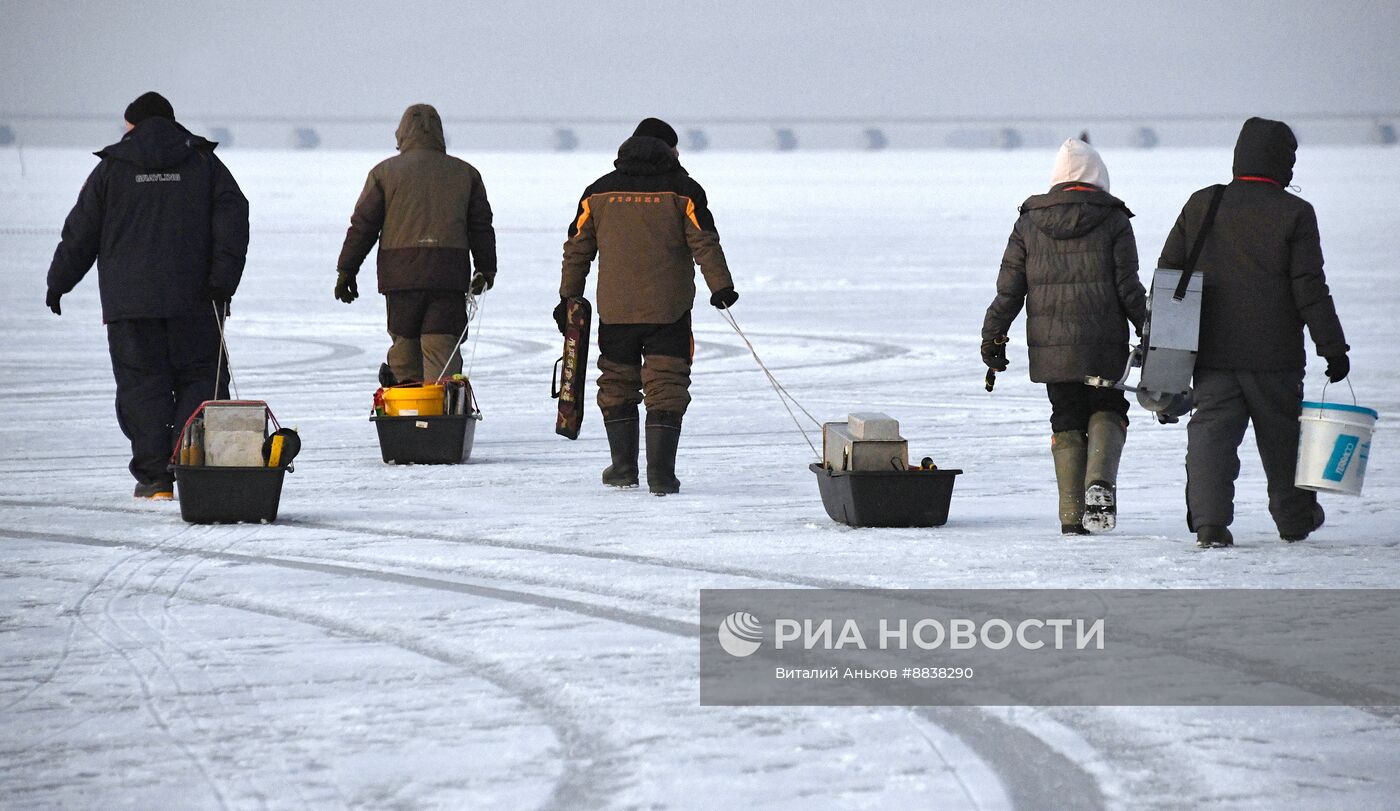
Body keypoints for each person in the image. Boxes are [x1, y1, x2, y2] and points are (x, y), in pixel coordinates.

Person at [46, 91, 249, 500]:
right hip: (197, 301)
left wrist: (59, 280)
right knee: (200, 380)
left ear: (132, 126)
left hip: (131, 307)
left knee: (142, 388)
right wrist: (222, 282)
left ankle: (156, 479)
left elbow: (80, 233)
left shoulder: (112, 169)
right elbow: (234, 221)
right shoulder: (204, 163)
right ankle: (193, 466)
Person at [1160, 117, 1349, 549]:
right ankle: (1295, 520)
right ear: (1283, 161)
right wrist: (1332, 347)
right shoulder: (1296, 213)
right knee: (1283, 439)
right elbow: (1309, 287)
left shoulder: (1203, 203)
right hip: (1275, 353)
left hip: (1210, 350)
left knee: (1210, 439)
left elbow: (1169, 275)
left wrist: (1166, 352)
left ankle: (1209, 525)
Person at [557, 118, 737, 495]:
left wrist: (568, 298)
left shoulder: (598, 192)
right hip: (668, 310)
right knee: (666, 384)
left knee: (617, 383)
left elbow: (577, 248)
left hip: (616, 309)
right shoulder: (684, 190)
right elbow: (704, 242)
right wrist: (721, 287)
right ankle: (661, 475)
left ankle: (623, 468)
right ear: (669, 150)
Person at [982, 138, 1146, 534]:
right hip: (1104, 343)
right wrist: (1150, 330)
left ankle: (1073, 516)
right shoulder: (1113, 219)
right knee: (1108, 408)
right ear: (1098, 176)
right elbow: (1129, 288)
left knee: (1066, 417)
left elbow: (1009, 290)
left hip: (1052, 347)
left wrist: (993, 337)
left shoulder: (1029, 221)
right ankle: (1099, 482)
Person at [335, 103, 496, 385]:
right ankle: (442, 421)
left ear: (402, 134)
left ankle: (406, 417)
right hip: (447, 279)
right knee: (442, 354)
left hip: (401, 280)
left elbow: (363, 226)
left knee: (404, 352)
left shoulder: (384, 173)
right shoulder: (466, 174)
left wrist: (346, 270)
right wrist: (485, 270)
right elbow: (481, 227)